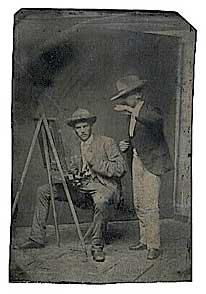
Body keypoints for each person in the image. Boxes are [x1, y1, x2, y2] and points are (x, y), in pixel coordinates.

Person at [17, 108, 126, 262]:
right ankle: (36, 238)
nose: (82, 131)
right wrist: (70, 175)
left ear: (91, 125)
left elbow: (120, 169)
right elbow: (72, 168)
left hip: (102, 187)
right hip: (80, 190)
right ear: (74, 130)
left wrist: (94, 162)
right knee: (43, 190)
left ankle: (96, 245)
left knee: (101, 201)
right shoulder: (74, 147)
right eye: (78, 128)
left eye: (84, 126)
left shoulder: (106, 142)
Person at [110, 75, 173, 260]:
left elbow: (156, 121)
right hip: (137, 160)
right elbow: (136, 137)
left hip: (153, 162)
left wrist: (131, 110)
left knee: (150, 204)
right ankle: (144, 240)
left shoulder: (150, 109)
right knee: (138, 201)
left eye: (126, 96)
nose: (124, 100)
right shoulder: (131, 114)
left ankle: (154, 245)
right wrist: (126, 144)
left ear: (137, 94)